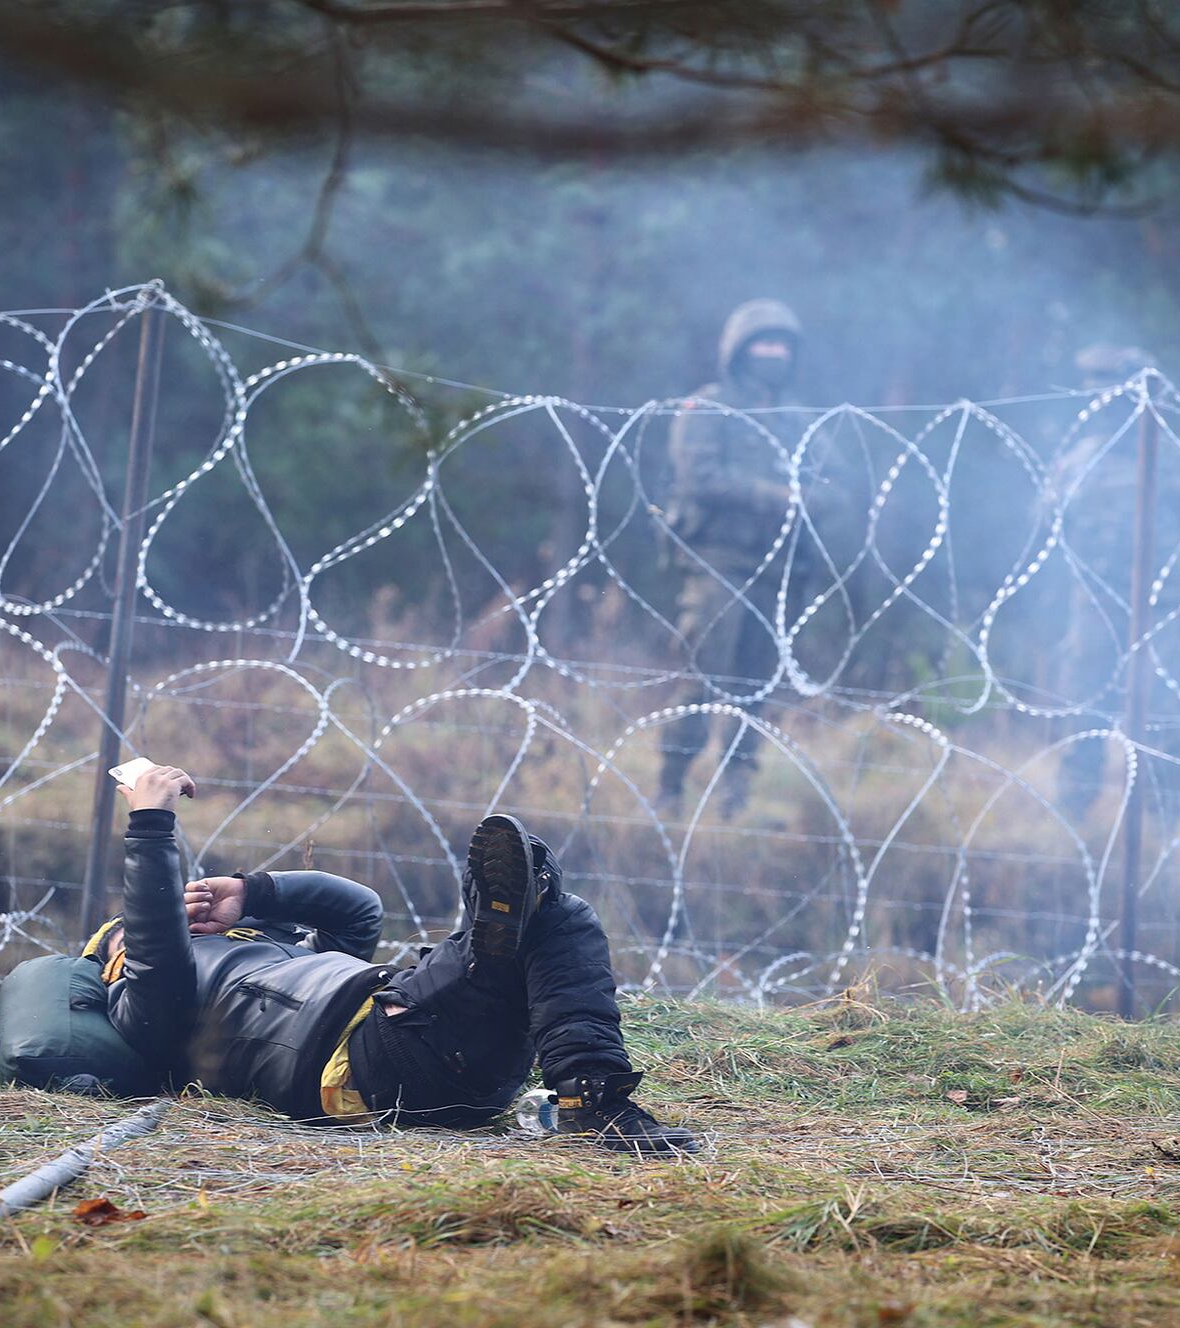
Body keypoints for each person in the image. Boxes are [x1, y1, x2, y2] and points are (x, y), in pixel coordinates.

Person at [87, 761, 699, 1157]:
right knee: (512, 937)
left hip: (443, 1054)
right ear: (118, 960)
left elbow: (361, 913)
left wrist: (254, 895)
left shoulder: (282, 959)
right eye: (126, 937)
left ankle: (589, 1093)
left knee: (558, 920)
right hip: (369, 1063)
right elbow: (157, 954)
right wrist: (150, 822)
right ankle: (490, 933)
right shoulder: (146, 1009)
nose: (178, 923)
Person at [1042, 344, 1180, 824]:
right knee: (1082, 705)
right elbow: (1045, 522)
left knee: (1164, 711)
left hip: (1163, 605)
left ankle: (1166, 815)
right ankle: (1073, 812)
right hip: (1095, 601)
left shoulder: (1176, 458)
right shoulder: (1079, 461)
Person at [657, 298, 806, 816]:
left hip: (774, 565)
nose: (774, 353)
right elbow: (698, 478)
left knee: (755, 683)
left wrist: (818, 499)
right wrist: (778, 496)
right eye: (764, 343)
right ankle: (668, 789)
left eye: (783, 345)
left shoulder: (794, 420)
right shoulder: (709, 407)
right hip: (716, 561)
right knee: (704, 678)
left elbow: (834, 483)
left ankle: (734, 797)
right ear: (740, 350)